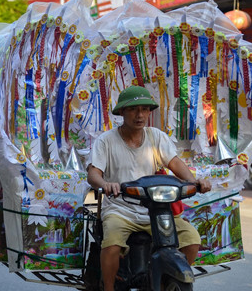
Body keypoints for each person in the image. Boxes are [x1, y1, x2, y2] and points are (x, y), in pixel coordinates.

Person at [87, 86, 212, 290]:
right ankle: (108, 287)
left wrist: (194, 181)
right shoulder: (106, 141)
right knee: (111, 244)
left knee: (191, 239)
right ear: (121, 112)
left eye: (145, 109)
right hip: (120, 209)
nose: (140, 115)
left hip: (154, 210)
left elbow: (175, 163)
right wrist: (105, 184)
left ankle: (165, 280)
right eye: (134, 109)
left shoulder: (156, 137)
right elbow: (93, 174)